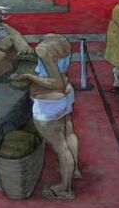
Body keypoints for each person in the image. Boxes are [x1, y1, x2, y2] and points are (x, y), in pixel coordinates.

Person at [10, 34, 81, 199]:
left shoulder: (42, 49)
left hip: (49, 103)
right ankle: (74, 170)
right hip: (66, 95)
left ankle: (65, 189)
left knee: (60, 146)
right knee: (68, 133)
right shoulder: (61, 41)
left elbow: (57, 83)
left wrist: (28, 76)